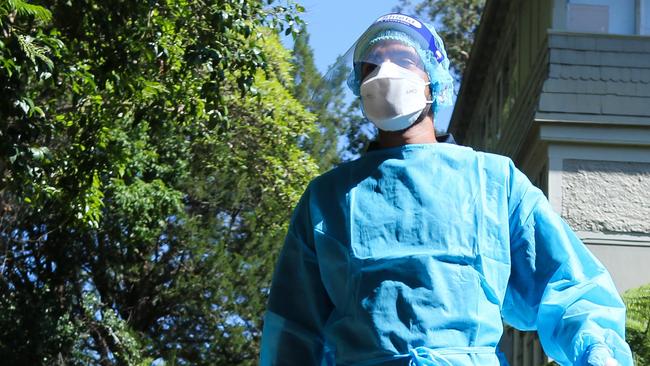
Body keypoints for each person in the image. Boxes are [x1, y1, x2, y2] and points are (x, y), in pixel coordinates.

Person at [259, 13, 633, 366]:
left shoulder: (493, 181)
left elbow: (570, 286)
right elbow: (294, 330)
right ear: (359, 86)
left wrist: (600, 351)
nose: (384, 73)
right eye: (371, 66)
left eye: (403, 59)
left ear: (433, 79)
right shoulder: (327, 199)